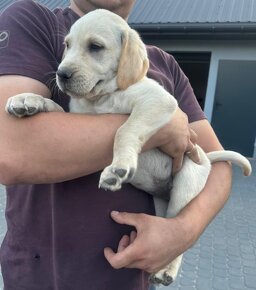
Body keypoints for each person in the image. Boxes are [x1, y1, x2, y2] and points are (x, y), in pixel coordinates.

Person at [0, 1, 232, 289]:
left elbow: (216, 162)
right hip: (42, 278)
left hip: (132, 277)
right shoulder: (32, 19)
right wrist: (162, 129)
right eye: (68, 46)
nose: (64, 66)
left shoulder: (165, 64)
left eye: (95, 47)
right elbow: (10, 151)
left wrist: (182, 231)